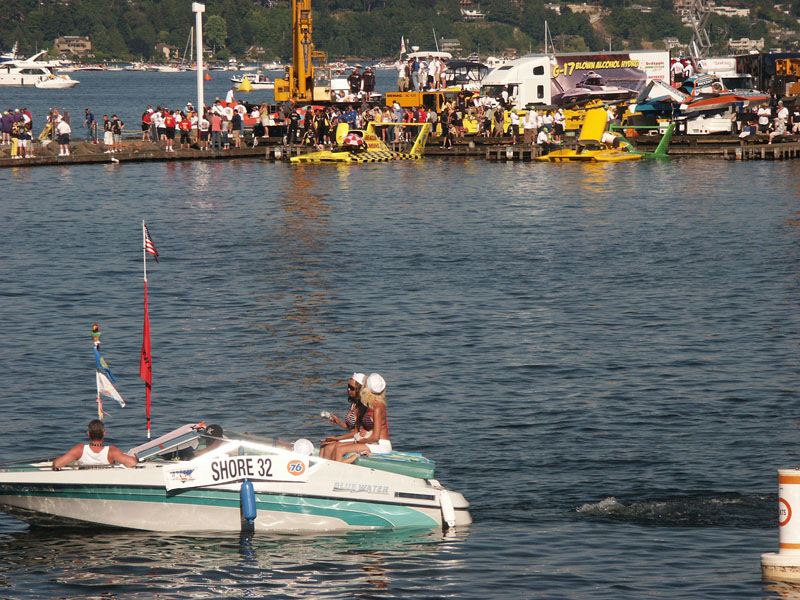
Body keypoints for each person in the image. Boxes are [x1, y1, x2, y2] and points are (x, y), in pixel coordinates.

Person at [332, 373, 391, 464]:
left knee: (340, 450)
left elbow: (375, 437)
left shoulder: (378, 407)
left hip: (381, 446)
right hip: (372, 443)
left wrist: (361, 441)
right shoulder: (371, 405)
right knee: (338, 447)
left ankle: (339, 473)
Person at [53, 419, 138, 469]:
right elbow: (132, 463)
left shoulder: (80, 449)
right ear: (104, 433)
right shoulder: (111, 451)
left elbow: (57, 464)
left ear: (89, 434)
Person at [320, 372, 367, 459]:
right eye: (348, 387)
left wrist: (336, 439)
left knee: (329, 447)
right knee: (324, 445)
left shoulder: (362, 407)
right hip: (353, 435)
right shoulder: (354, 403)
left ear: (359, 389)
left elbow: (356, 431)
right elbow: (351, 427)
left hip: (359, 437)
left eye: (352, 388)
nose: (348, 389)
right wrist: (339, 422)